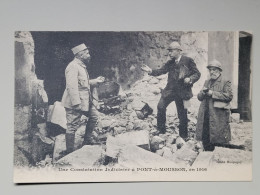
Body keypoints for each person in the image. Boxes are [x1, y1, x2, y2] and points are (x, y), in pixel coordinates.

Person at [141, 41, 201, 139]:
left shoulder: (188, 60)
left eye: (171, 51)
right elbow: (162, 71)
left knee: (182, 114)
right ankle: (161, 130)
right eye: (169, 51)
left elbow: (197, 74)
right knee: (160, 106)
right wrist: (151, 71)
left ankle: (183, 136)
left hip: (183, 92)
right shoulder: (170, 62)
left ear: (178, 51)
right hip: (170, 91)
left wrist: (190, 79)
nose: (169, 53)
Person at [61, 43, 105, 154]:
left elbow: (82, 84)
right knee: (72, 126)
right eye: (86, 53)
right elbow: (72, 86)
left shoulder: (80, 65)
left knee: (94, 116)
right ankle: (69, 151)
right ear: (80, 55)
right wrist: (76, 104)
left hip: (86, 101)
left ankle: (87, 140)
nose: (89, 54)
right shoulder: (73, 66)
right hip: (75, 102)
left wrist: (95, 81)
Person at [196, 59, 233, 151]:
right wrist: (203, 93)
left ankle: (218, 153)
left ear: (219, 71)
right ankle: (207, 152)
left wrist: (212, 93)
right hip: (206, 112)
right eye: (210, 70)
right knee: (205, 133)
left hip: (218, 114)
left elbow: (229, 96)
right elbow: (199, 97)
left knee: (219, 135)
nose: (212, 72)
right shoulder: (206, 82)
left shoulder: (225, 82)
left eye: (214, 70)